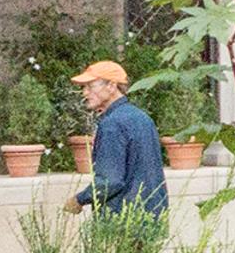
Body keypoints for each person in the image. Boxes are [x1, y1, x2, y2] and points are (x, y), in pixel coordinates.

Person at [71, 59, 169, 218]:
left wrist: (79, 199)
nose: (85, 93)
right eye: (84, 87)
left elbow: (110, 181)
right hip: (152, 216)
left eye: (90, 86)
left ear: (111, 86)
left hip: (122, 220)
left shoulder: (112, 124)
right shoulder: (142, 118)